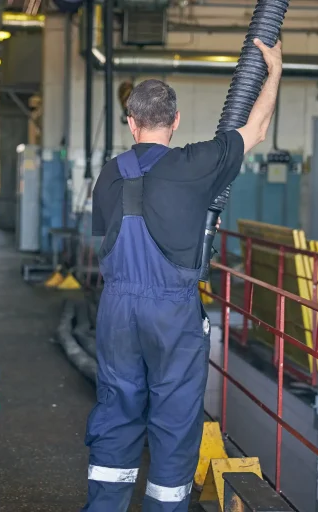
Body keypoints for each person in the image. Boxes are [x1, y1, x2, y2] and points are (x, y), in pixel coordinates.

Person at [83, 38, 282, 511]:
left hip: (116, 310)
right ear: (174, 122)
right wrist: (272, 71)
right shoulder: (196, 163)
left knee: (116, 413)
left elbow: (102, 245)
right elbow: (255, 128)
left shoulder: (108, 175)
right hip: (172, 313)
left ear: (131, 123)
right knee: (173, 420)